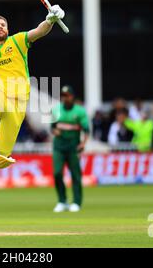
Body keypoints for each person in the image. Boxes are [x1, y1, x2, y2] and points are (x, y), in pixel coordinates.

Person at [0, 5, 66, 182]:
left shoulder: (17, 41)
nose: (0, 27)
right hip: (0, 94)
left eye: (3, 24)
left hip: (19, 104)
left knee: (3, 157)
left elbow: (39, 31)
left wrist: (50, 20)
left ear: (8, 29)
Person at [51, 85, 89, 213]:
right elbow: (52, 127)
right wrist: (55, 131)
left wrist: (83, 143)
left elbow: (86, 129)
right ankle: (62, 201)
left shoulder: (79, 111)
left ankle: (76, 202)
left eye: (67, 96)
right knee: (57, 173)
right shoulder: (57, 109)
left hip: (73, 147)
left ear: (72, 97)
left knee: (75, 174)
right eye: (63, 96)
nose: (65, 98)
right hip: (59, 146)